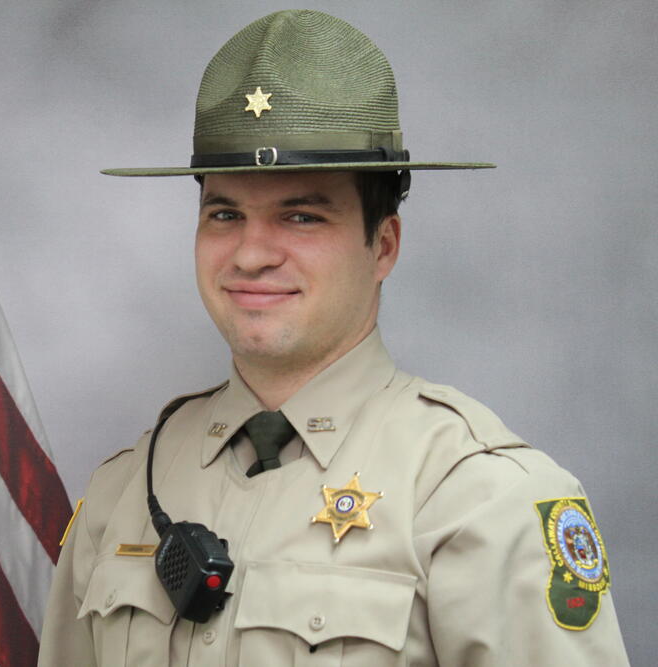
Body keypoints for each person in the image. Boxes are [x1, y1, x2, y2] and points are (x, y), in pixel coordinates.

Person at [38, 10, 629, 666]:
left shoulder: (479, 499)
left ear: (382, 245)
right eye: (225, 213)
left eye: (301, 215)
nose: (251, 253)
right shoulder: (122, 496)